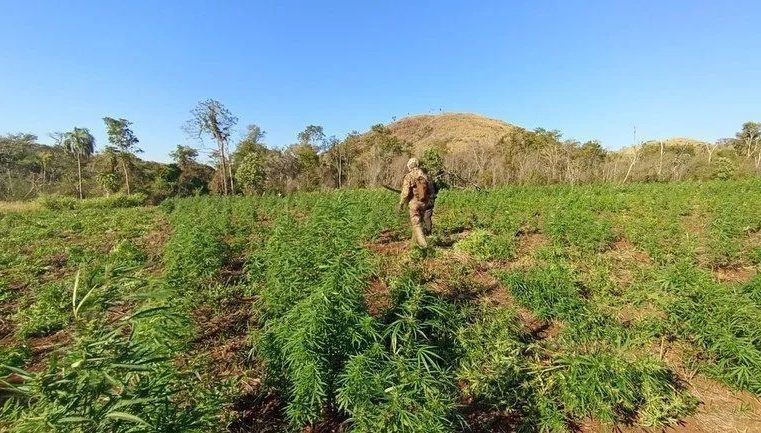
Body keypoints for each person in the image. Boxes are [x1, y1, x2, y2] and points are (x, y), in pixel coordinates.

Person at [398, 158, 436, 247]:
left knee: (416, 223)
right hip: (425, 203)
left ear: (410, 165)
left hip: (414, 203)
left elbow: (405, 192)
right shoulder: (425, 175)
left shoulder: (409, 176)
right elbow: (431, 190)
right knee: (422, 221)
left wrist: (401, 203)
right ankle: (416, 242)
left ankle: (423, 246)